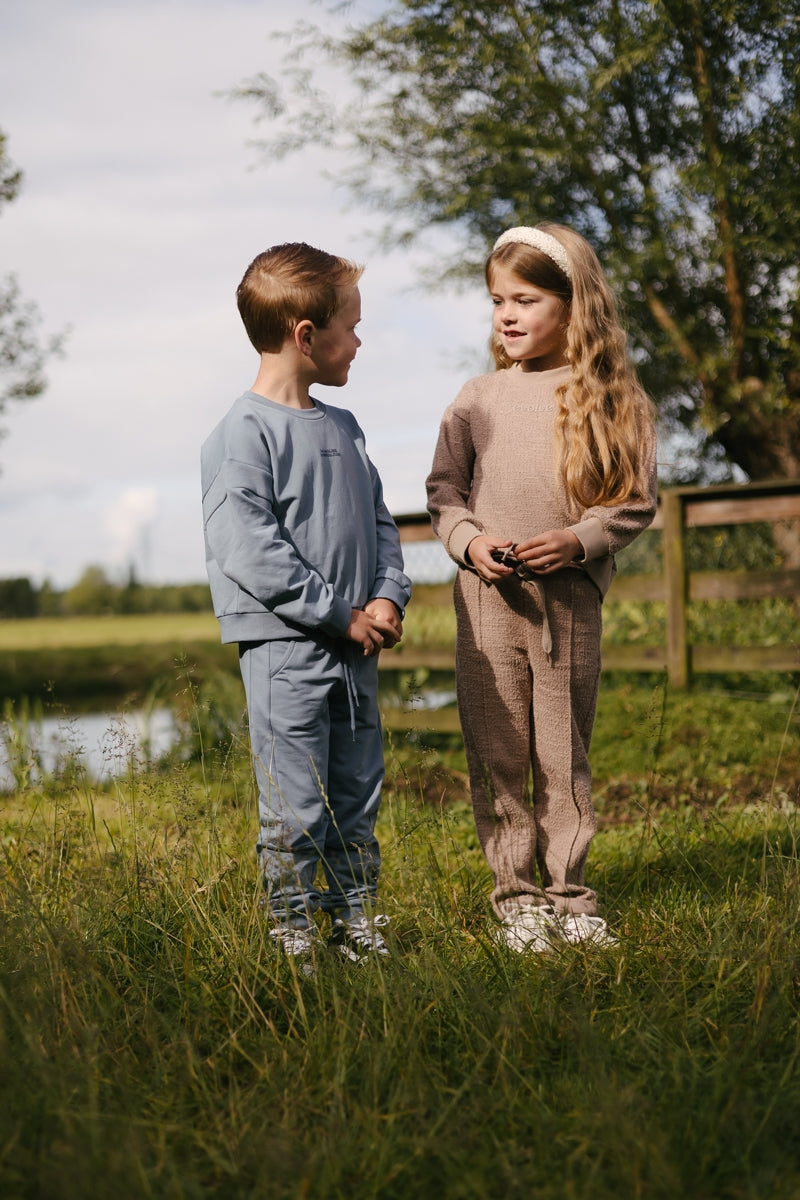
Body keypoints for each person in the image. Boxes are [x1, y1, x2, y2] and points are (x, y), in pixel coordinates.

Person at [426, 223, 657, 951]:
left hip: (570, 608)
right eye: (497, 300)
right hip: (488, 603)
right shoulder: (477, 398)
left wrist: (577, 540)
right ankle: (517, 900)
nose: (506, 315)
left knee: (563, 757)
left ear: (573, 303)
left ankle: (572, 899)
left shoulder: (613, 398)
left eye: (525, 299)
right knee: (497, 752)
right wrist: (470, 543)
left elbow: (632, 502)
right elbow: (444, 493)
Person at [201, 242, 412, 963]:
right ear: (305, 336)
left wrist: (385, 596)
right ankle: (293, 936)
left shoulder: (345, 428)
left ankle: (356, 926)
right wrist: (339, 613)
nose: (360, 339)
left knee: (357, 792)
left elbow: (383, 524)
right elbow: (252, 551)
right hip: (287, 651)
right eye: (351, 325)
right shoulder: (242, 434)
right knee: (297, 805)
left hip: (357, 645)